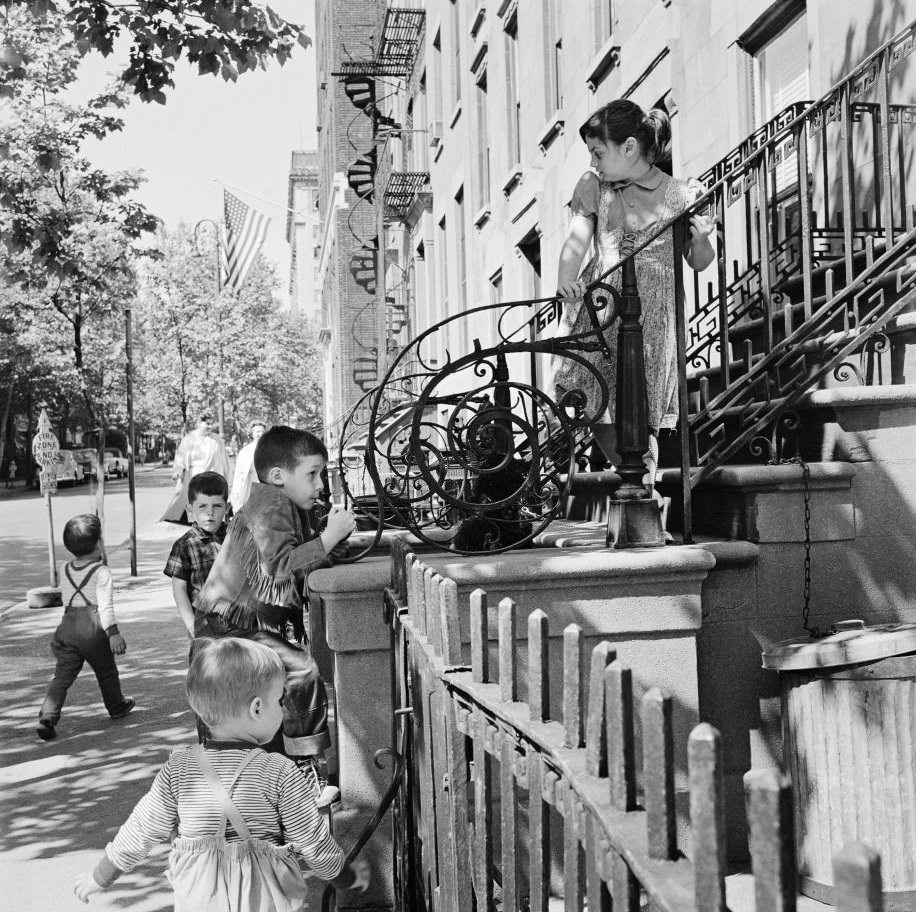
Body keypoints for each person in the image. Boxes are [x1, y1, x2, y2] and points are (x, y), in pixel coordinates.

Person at [73, 638, 368, 908]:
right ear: (256, 708)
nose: (283, 708)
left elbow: (142, 828)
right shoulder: (280, 772)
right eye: (280, 700)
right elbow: (312, 842)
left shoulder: (178, 768)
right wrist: (347, 876)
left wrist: (101, 876)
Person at [553, 99, 715, 489]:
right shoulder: (594, 186)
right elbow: (576, 241)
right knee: (584, 391)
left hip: (655, 310)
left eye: (598, 152)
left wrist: (703, 240)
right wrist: (566, 282)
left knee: (644, 405)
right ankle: (635, 477)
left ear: (628, 148)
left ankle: (644, 487)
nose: (593, 161)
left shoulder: (679, 193)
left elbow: (700, 261)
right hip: (604, 303)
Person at [193, 426, 356, 806]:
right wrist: (329, 539)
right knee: (300, 672)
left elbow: (293, 560)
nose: (320, 484)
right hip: (231, 623)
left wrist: (330, 543)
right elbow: (279, 568)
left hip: (227, 622)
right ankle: (305, 773)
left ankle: (260, 785)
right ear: (279, 475)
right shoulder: (272, 504)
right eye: (312, 474)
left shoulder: (280, 504)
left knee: (249, 705)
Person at [36, 514, 135, 741]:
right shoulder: (101, 572)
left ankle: (47, 717)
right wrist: (114, 634)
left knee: (62, 676)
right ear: (98, 543)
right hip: (92, 629)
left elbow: (67, 598)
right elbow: (105, 606)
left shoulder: (64, 568)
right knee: (106, 671)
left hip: (68, 627)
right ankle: (116, 706)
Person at [164, 472, 229, 641]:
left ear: (227, 508)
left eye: (217, 506)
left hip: (238, 623)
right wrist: (193, 627)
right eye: (202, 506)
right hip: (203, 625)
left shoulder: (235, 537)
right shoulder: (184, 546)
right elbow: (179, 590)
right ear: (190, 510)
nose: (210, 513)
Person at [161, 413, 230, 524]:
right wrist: (178, 471)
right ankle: (194, 521)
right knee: (194, 499)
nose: (210, 426)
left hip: (211, 475)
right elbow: (180, 457)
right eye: (207, 424)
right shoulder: (189, 439)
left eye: (211, 424)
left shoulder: (217, 440)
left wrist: (226, 477)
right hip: (193, 474)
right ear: (198, 423)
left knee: (209, 499)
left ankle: (208, 520)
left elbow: (224, 460)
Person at [229, 420, 267, 514]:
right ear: (252, 433)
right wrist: (236, 495)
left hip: (266, 487)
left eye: (262, 431)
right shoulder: (246, 451)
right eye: (257, 432)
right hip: (250, 486)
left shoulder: (270, 450)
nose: (260, 434)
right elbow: (239, 475)